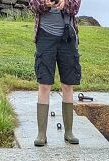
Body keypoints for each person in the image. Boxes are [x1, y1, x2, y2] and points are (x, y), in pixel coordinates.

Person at [28, 0, 82, 146]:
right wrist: (46, 3)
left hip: (68, 37)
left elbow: (76, 7)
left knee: (68, 85)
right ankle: (41, 134)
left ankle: (69, 132)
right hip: (45, 37)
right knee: (44, 85)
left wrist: (64, 3)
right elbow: (33, 5)